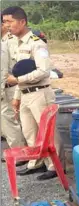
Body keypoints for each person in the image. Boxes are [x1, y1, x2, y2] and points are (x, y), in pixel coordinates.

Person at [2, 6, 63, 180]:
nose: (6, 25)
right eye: (4, 22)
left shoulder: (37, 43)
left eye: (10, 21)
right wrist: (16, 97)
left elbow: (43, 72)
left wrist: (17, 81)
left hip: (40, 93)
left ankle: (55, 166)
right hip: (25, 93)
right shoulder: (15, 44)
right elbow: (19, 72)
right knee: (30, 132)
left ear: (22, 22)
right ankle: (36, 162)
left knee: (48, 132)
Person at [1, 14, 27, 165]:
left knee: (10, 120)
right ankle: (18, 151)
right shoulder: (4, 41)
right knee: (9, 121)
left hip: (10, 87)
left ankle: (19, 153)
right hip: (8, 86)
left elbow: (11, 68)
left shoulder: (11, 41)